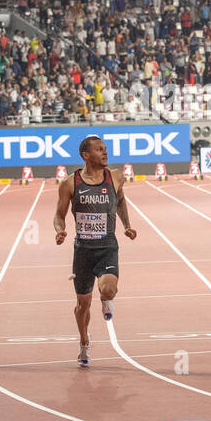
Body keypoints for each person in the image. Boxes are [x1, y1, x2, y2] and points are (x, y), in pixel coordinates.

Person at [53, 136, 137, 367]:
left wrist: (127, 225)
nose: (105, 153)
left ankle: (106, 299)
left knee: (108, 289)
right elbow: (59, 215)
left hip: (107, 245)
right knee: (82, 305)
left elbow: (120, 201)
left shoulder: (116, 177)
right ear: (85, 155)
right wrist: (60, 231)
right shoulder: (70, 183)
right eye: (99, 150)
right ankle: (84, 343)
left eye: (105, 149)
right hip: (82, 250)